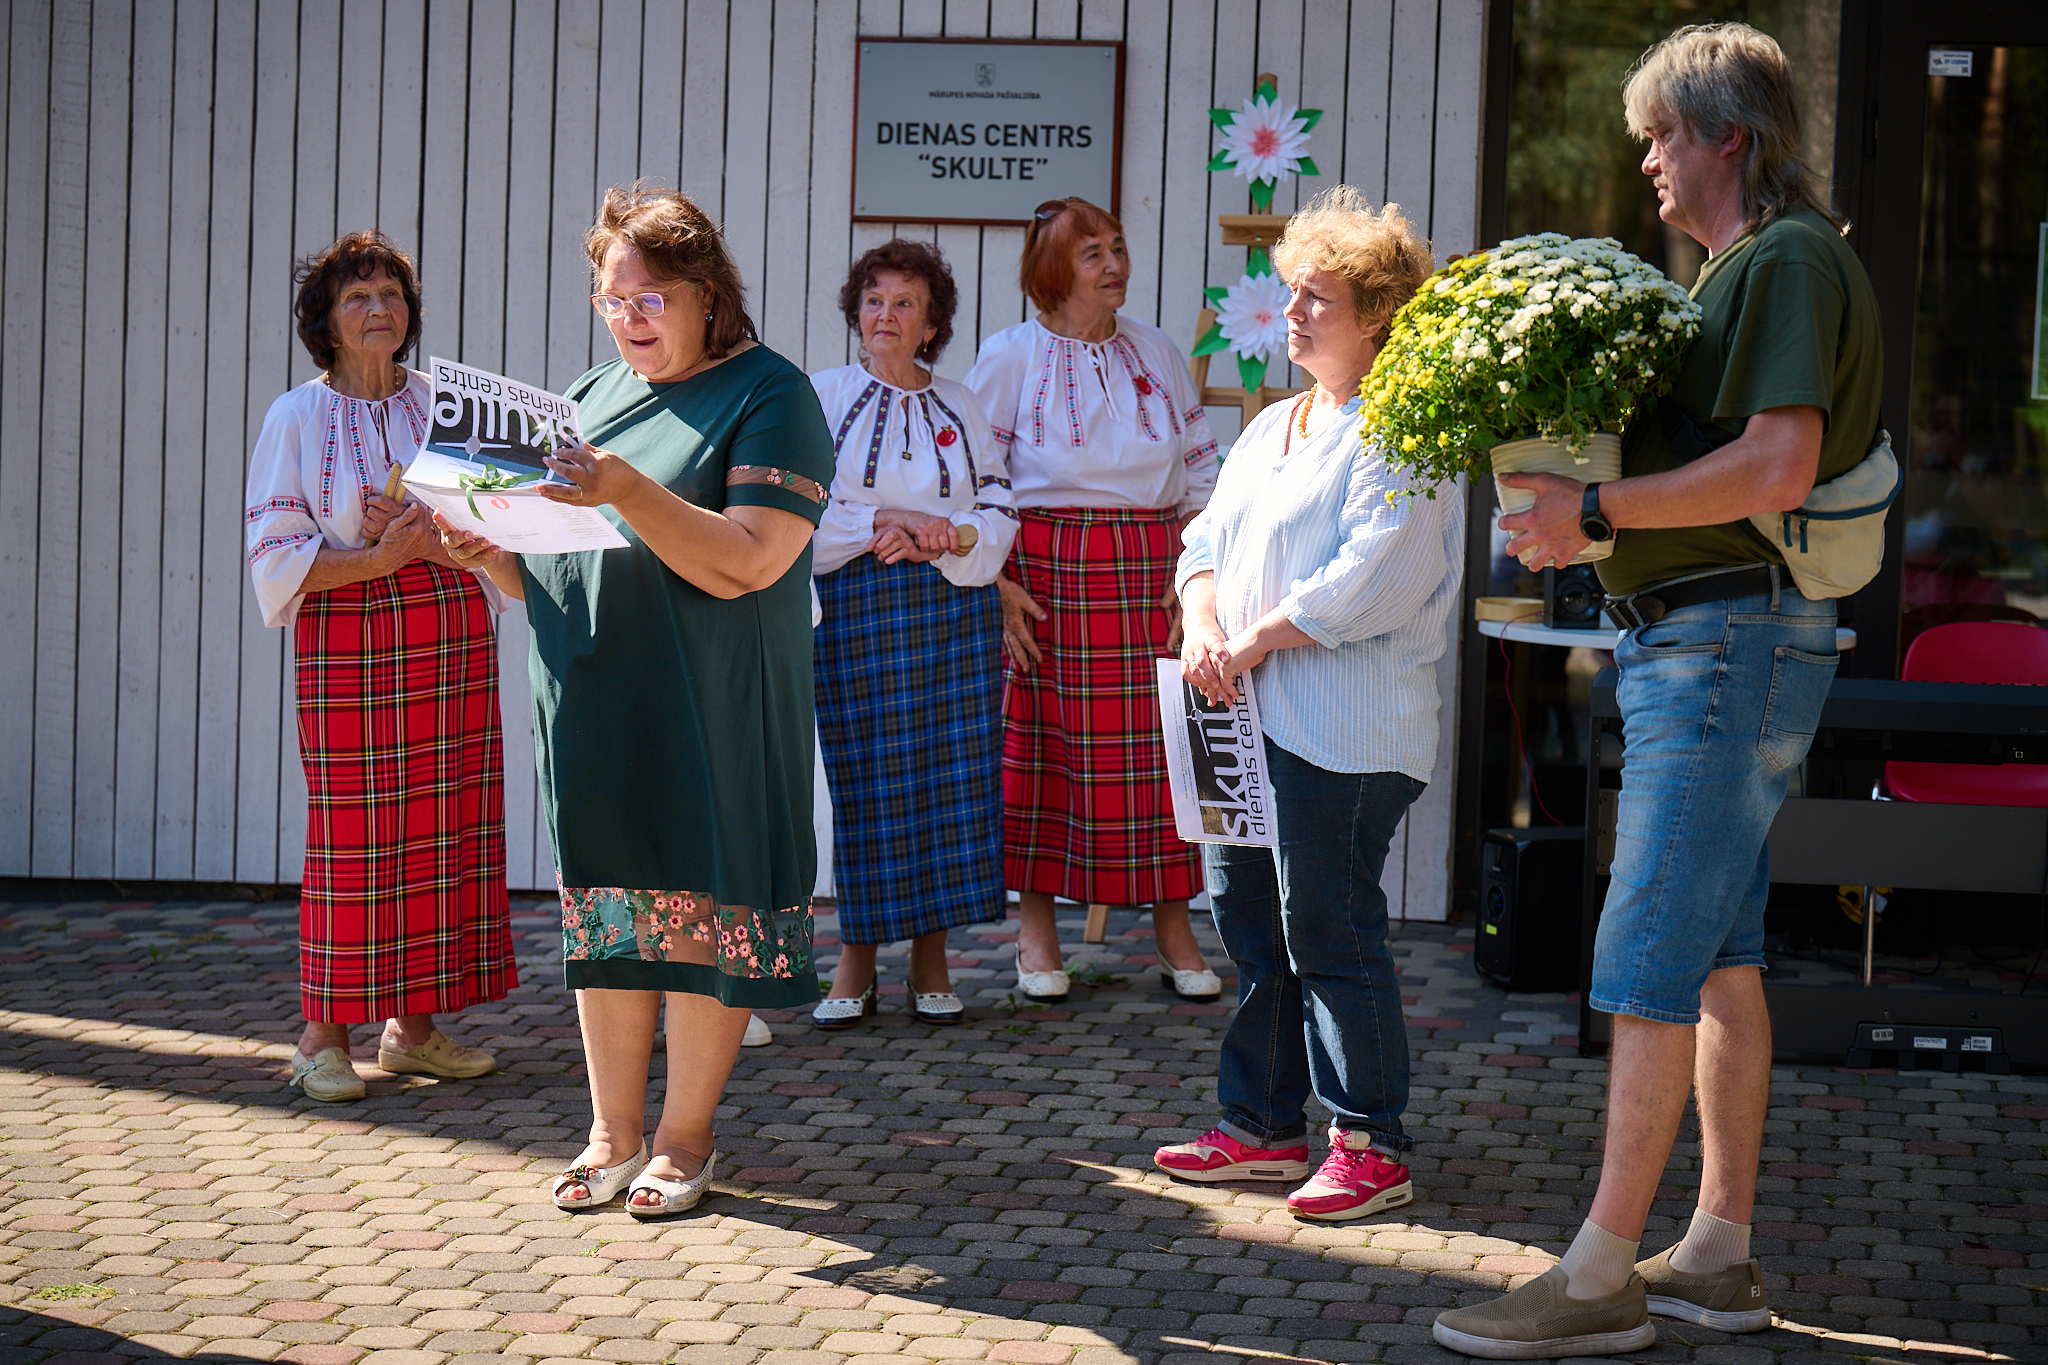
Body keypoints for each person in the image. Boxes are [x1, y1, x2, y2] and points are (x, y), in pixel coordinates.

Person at [1434, 23, 1880, 1357]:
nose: (1645, 163)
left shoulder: (1787, 260)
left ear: (1728, 138)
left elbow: (1778, 465)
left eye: (1662, 136)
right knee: (1718, 952)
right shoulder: (1756, 265)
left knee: (1641, 957)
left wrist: (1599, 509)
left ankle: (1600, 1272)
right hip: (1718, 634)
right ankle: (1719, 1256)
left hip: (1724, 638)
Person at [437, 183, 833, 1218]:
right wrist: (492, 558)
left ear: (707, 293)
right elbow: (557, 576)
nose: (630, 319)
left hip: (713, 700)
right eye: (613, 301)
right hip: (596, 694)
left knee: (698, 903)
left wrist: (625, 491)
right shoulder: (588, 398)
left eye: (650, 298)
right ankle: (609, 1132)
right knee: (609, 909)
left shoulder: (770, 392)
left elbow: (751, 560)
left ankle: (682, 1139)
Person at [1153, 188, 1461, 1221]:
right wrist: (1200, 619)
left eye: (1314, 298)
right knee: (1251, 924)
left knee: (1326, 926)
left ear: (1374, 316)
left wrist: (1248, 640)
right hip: (1240, 720)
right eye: (1287, 293)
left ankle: (1369, 1139)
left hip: (1344, 728)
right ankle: (1260, 1129)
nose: (1290, 314)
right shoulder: (1275, 424)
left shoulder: (1404, 431)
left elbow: (1370, 576)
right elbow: (1200, 541)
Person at [244, 231, 513, 1104]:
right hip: (348, 630)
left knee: (445, 818)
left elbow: (504, 527)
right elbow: (274, 555)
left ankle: (414, 1028)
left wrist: (434, 538)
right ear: (323, 320)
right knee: (354, 831)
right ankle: (322, 1037)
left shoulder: (448, 403)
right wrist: (370, 557)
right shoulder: (295, 415)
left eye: (392, 293)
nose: (378, 309)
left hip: (448, 626)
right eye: (357, 296)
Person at [964, 196, 1224, 1004]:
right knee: (1043, 747)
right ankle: (1036, 936)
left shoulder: (1156, 351)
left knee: (1161, 747)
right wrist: (999, 583)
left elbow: (1203, 468)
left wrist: (1198, 572)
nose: (1115, 265)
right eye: (1093, 254)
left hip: (1149, 562)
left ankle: (1174, 929)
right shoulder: (1008, 356)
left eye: (1117, 248)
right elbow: (975, 478)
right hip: (1044, 568)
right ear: (1052, 271)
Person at [807, 240, 1019, 1029]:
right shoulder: (823, 396)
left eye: (904, 303)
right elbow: (798, 505)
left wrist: (950, 534)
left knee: (949, 776)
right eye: (873, 300)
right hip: (858, 607)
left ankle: (932, 958)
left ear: (932, 324)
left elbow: (998, 504)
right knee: (866, 778)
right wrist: (881, 524)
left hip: (950, 608)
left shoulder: (961, 405)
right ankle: (855, 958)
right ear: (855, 312)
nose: (885, 315)